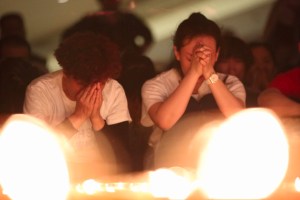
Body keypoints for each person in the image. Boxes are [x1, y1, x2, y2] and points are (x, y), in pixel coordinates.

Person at [140, 12, 245, 167]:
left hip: (220, 163)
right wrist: (194, 73)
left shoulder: (229, 83)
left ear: (216, 54)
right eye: (191, 58)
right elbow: (165, 121)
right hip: (170, 164)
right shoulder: (156, 85)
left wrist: (210, 74)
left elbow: (238, 119)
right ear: (177, 52)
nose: (200, 62)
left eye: (206, 56)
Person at [23, 32, 132, 179]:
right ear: (66, 73)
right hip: (57, 176)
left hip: (103, 175)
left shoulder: (113, 90)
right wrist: (78, 116)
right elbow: (35, 152)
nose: (89, 90)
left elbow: (122, 155)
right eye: (82, 83)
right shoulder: (40, 90)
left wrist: (96, 119)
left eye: (99, 83)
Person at [214, 34, 258, 107]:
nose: (232, 68)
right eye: (224, 61)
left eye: (238, 61)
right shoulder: (205, 94)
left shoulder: (256, 98)